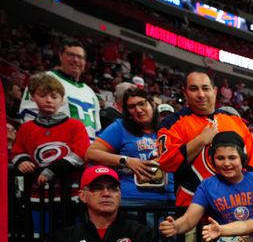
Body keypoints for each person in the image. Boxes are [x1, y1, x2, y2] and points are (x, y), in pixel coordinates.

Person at [157, 70, 253, 206]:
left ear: (215, 91)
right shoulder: (172, 123)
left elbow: (252, 168)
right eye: (194, 89)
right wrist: (201, 140)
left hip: (235, 207)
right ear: (185, 92)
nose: (201, 94)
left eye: (206, 88)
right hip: (191, 208)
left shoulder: (236, 122)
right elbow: (166, 163)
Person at [11, 73, 90, 225]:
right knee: (42, 238)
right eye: (43, 95)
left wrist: (52, 170)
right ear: (33, 97)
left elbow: (81, 153)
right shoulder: (26, 128)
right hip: (38, 194)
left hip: (71, 192)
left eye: (54, 96)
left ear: (62, 99)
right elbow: (17, 152)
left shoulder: (75, 125)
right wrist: (22, 161)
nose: (49, 100)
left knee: (71, 237)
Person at [86, 87, 174, 205]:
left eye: (142, 104)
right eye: (132, 107)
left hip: (169, 199)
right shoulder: (120, 127)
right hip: (134, 201)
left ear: (152, 104)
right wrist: (126, 161)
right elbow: (91, 153)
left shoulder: (168, 128)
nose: (138, 110)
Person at [19, 39, 102, 140]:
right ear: (61, 56)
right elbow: (28, 115)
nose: (76, 60)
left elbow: (97, 130)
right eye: (71, 55)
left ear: (85, 62)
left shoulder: (90, 93)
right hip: (54, 148)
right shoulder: (43, 79)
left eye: (80, 57)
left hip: (86, 151)